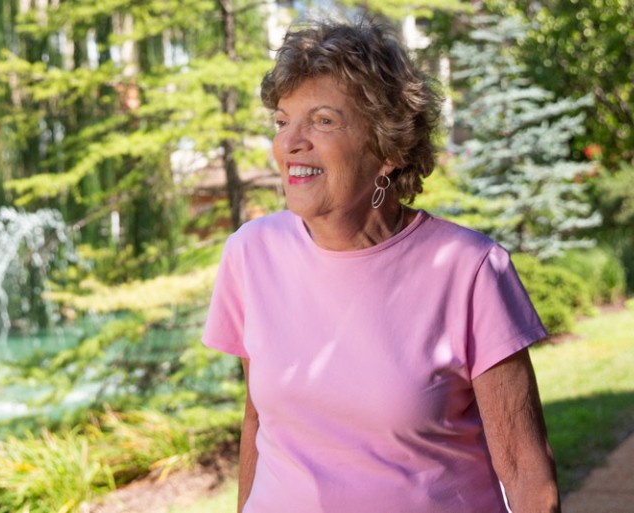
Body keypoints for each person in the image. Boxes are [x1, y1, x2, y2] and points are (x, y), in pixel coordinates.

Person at [203, 19, 560, 513]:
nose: (290, 143)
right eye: (283, 121)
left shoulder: (470, 270)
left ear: (387, 148)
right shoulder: (251, 254)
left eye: (323, 120)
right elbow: (258, 423)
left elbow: (528, 478)